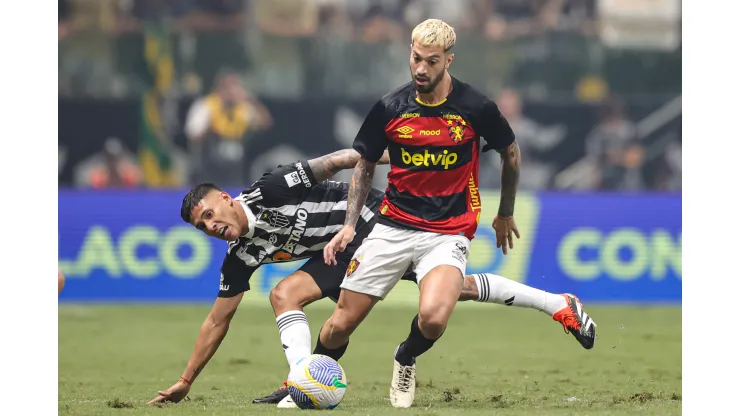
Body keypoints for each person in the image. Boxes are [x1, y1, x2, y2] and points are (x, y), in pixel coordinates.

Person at [147, 149, 597, 408]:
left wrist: (405, 157)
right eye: (201, 226)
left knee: (438, 295)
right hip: (341, 253)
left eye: (210, 214)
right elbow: (216, 321)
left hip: (374, 222)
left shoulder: (273, 188)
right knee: (289, 294)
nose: (210, 226)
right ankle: (557, 303)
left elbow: (344, 159)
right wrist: (187, 379)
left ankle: (300, 382)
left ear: (226, 199)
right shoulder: (239, 254)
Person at [319, 19, 524, 408]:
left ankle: (405, 357)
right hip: (392, 225)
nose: (420, 69)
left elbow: (511, 153)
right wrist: (349, 226)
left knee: (433, 318)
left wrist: (505, 212)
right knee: (338, 325)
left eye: (431, 61)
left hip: (448, 231)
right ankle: (305, 381)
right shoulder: (389, 107)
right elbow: (364, 166)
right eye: (415, 59)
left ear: (449, 60)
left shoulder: (476, 107)